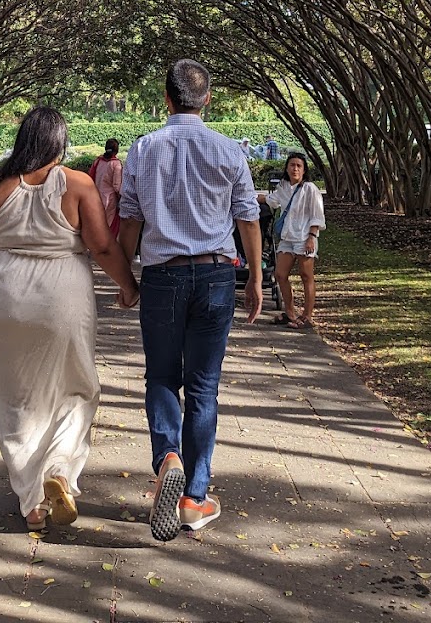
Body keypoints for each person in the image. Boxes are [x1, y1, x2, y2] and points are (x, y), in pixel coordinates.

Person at [0, 107, 139, 529]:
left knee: (15, 396)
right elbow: (101, 246)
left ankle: (31, 504)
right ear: (59, 143)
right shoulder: (77, 184)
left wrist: (7, 272)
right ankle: (59, 471)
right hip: (62, 293)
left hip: (6, 294)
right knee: (77, 386)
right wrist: (129, 285)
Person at [119, 59, 262, 542]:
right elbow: (247, 219)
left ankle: (168, 457)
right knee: (203, 387)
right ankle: (195, 498)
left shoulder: (143, 148)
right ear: (209, 99)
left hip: (162, 276)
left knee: (161, 375)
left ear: (166, 98)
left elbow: (131, 218)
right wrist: (258, 279)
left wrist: (125, 277)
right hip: (218, 276)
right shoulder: (229, 150)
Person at [259, 153, 325, 328]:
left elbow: (316, 215)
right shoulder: (283, 187)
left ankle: (307, 316)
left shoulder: (310, 188)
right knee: (280, 275)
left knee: (306, 276)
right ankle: (290, 313)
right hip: (287, 237)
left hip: (304, 237)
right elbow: (271, 200)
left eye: (299, 166)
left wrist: (312, 236)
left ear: (304, 170)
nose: (295, 169)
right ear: (287, 168)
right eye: (292, 165)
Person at [90, 137, 124, 237]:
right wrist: (121, 199)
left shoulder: (98, 161)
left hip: (96, 197)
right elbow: (117, 186)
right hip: (109, 200)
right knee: (108, 226)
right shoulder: (116, 164)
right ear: (117, 150)